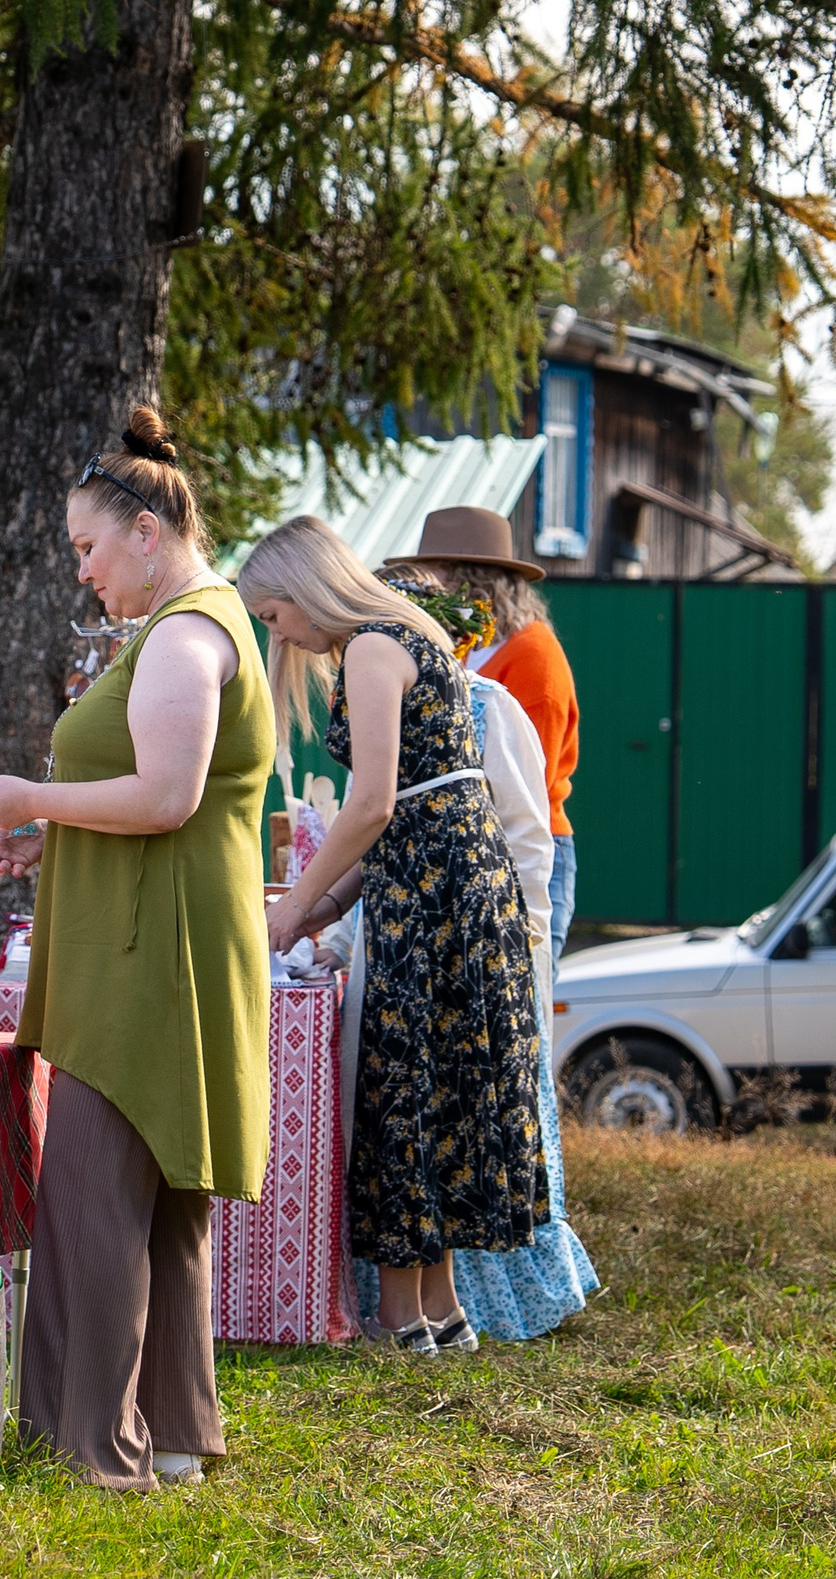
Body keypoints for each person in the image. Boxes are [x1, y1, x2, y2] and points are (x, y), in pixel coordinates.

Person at [0, 407, 273, 1493]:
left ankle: (87, 1448)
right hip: (158, 942)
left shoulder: (186, 634)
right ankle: (174, 1435)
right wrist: (48, 834)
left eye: (88, 549)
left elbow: (166, 795)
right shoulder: (192, 625)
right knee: (155, 1207)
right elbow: (150, 800)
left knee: (94, 1204)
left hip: (147, 959)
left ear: (146, 530)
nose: (82, 573)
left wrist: (25, 793)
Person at [244, 515, 545, 1357]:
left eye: (275, 615)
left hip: (433, 893)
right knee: (442, 1087)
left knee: (404, 1090)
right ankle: (439, 1310)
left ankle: (403, 1316)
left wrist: (293, 901)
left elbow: (372, 803)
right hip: (453, 880)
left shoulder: (372, 648)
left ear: (305, 591)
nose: (283, 634)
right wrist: (319, 909)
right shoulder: (410, 631)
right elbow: (401, 810)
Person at [318, 569, 600, 1342]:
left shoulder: (507, 683)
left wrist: (530, 952)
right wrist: (331, 915)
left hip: (454, 909)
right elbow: (385, 821)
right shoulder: (429, 670)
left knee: (416, 1103)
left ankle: (420, 1312)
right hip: (430, 899)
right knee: (430, 1105)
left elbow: (523, 827)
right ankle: (435, 1310)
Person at [388, 507, 582, 953]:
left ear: (467, 577)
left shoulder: (533, 654)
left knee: (523, 1011)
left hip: (524, 850)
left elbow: (530, 784)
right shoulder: (457, 647)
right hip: (465, 849)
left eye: (431, 573)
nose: (420, 586)